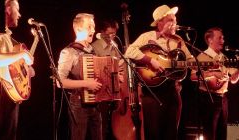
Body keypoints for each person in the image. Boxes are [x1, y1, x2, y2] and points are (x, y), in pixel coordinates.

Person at [124, 4, 193, 140]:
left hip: (171, 91)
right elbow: (129, 52)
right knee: (153, 133)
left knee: (170, 133)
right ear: (160, 23)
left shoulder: (178, 40)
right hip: (152, 93)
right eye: (171, 20)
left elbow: (190, 59)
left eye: (175, 20)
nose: (175, 23)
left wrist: (202, 65)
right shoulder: (147, 36)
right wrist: (150, 60)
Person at [57, 13, 103, 140]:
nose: (93, 30)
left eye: (93, 26)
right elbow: (60, 81)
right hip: (78, 105)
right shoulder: (68, 52)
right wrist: (86, 84)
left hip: (96, 104)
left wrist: (113, 79)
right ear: (78, 29)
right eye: (89, 27)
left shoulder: (93, 51)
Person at [190, 27, 239, 140]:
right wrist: (212, 74)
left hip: (223, 98)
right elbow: (192, 76)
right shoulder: (202, 56)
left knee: (223, 134)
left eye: (223, 38)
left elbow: (233, 79)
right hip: (208, 98)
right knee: (210, 134)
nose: (223, 40)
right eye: (220, 38)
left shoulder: (224, 57)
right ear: (210, 40)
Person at [0, 0, 34, 140]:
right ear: (7, 9)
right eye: (17, 9)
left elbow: (10, 65)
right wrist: (21, 55)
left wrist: (27, 69)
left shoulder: (7, 36)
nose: (19, 14)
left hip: (9, 95)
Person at [91, 19, 123, 140]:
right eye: (109, 33)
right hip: (103, 90)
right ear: (102, 32)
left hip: (115, 88)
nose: (111, 36)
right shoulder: (94, 46)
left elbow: (118, 63)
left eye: (114, 34)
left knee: (114, 121)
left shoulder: (115, 45)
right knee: (102, 122)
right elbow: (97, 70)